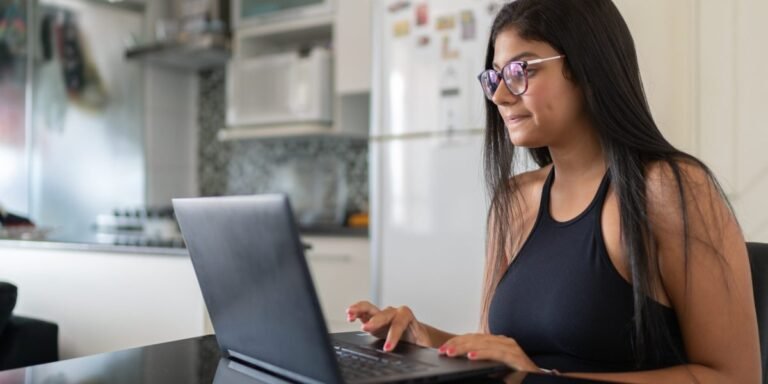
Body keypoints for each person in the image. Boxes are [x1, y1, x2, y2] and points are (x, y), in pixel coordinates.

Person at [346, 0, 762, 382]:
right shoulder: (512, 200)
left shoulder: (670, 190)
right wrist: (424, 339)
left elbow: (734, 377)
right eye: (495, 77)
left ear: (587, 67)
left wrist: (544, 380)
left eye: (522, 71)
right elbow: (499, 355)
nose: (501, 96)